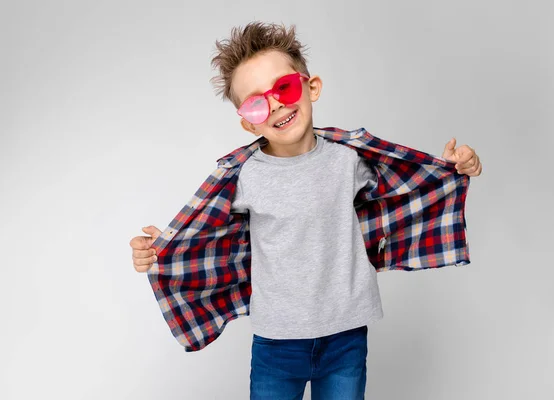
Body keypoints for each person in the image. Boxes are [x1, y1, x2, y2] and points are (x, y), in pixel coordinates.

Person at [129, 22, 482, 400]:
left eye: (284, 88)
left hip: (346, 335)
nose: (277, 104)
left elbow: (408, 184)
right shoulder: (244, 176)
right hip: (277, 343)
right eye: (257, 102)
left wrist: (451, 167)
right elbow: (202, 231)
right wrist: (159, 249)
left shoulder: (348, 160)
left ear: (311, 87)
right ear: (248, 122)